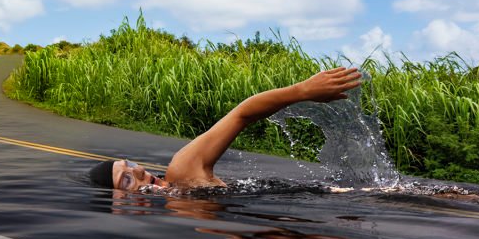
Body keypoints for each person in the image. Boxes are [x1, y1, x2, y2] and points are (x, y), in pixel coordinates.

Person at [88, 66, 363, 191]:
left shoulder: (181, 173)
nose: (138, 170)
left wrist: (301, 91)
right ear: (120, 204)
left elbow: (241, 115)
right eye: (126, 179)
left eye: (130, 164)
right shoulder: (176, 206)